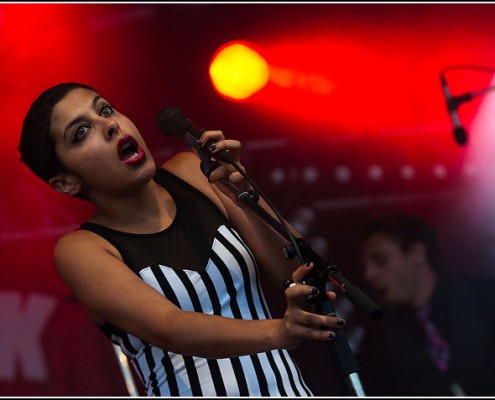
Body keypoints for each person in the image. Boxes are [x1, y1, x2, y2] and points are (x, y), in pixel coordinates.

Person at [17, 82, 345, 397]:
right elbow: (170, 328)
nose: (110, 125)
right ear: (65, 184)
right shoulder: (82, 249)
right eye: (81, 132)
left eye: (105, 109)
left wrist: (242, 191)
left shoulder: (193, 172)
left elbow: (297, 270)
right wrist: (279, 331)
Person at [354, 213, 495, 396]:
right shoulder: (380, 341)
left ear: (417, 253)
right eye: (365, 267)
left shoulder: (484, 297)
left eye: (381, 260)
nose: (369, 274)